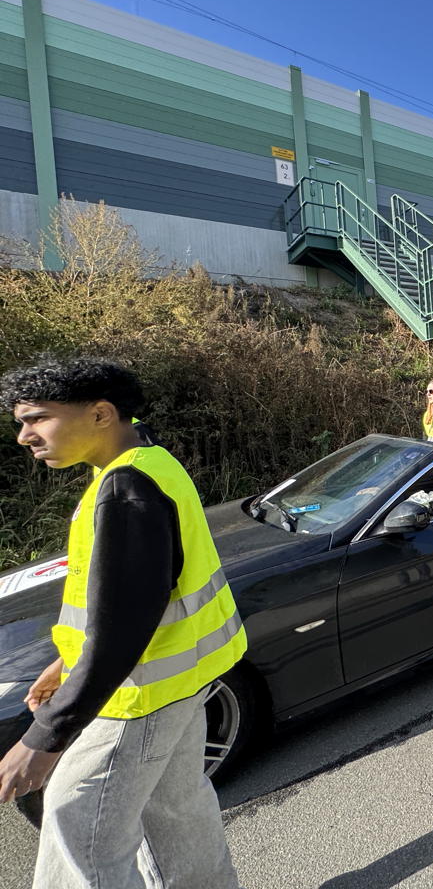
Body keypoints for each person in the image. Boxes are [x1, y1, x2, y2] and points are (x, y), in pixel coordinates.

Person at [0, 356, 244, 888]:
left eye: (37, 418)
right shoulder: (151, 461)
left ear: (102, 414)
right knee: (177, 816)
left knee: (77, 831)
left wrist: (43, 739)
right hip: (179, 683)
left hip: (137, 696)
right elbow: (130, 605)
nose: (25, 436)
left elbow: (119, 633)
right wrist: (64, 663)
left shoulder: (125, 490)